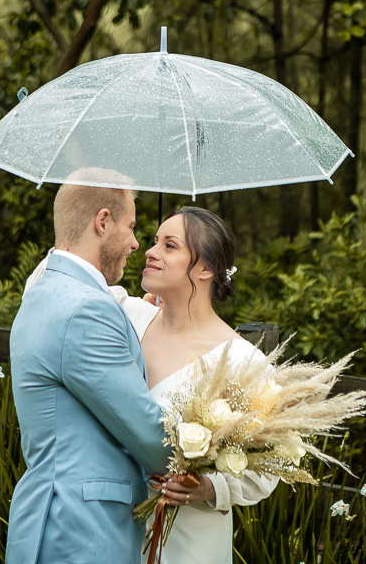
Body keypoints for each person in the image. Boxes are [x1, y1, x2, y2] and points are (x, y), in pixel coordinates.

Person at [6, 169, 171, 564]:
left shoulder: (42, 290)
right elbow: (148, 435)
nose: (135, 243)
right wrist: (211, 445)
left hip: (50, 518)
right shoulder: (85, 310)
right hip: (82, 531)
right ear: (102, 221)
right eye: (131, 227)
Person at [122, 207, 278, 564]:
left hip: (192, 539)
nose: (150, 251)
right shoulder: (129, 317)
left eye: (170, 245)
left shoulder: (243, 362)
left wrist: (209, 487)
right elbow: (50, 286)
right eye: (153, 241)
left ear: (205, 269)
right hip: (116, 521)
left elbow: (268, 468)